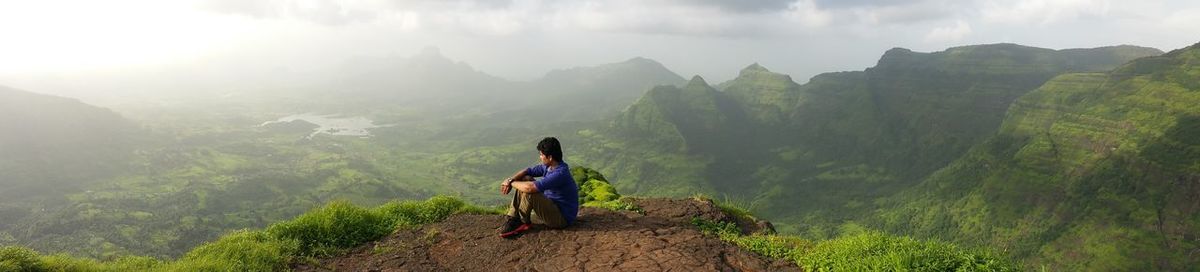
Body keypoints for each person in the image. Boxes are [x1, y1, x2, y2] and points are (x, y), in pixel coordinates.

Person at [499, 137, 579, 238]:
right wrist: (511, 179)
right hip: (552, 206)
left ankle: (522, 221)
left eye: (541, 155)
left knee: (532, 193)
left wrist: (511, 182)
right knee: (525, 178)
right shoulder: (549, 166)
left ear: (550, 157)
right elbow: (527, 171)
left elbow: (530, 188)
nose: (540, 157)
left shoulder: (560, 173)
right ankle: (513, 217)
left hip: (561, 218)